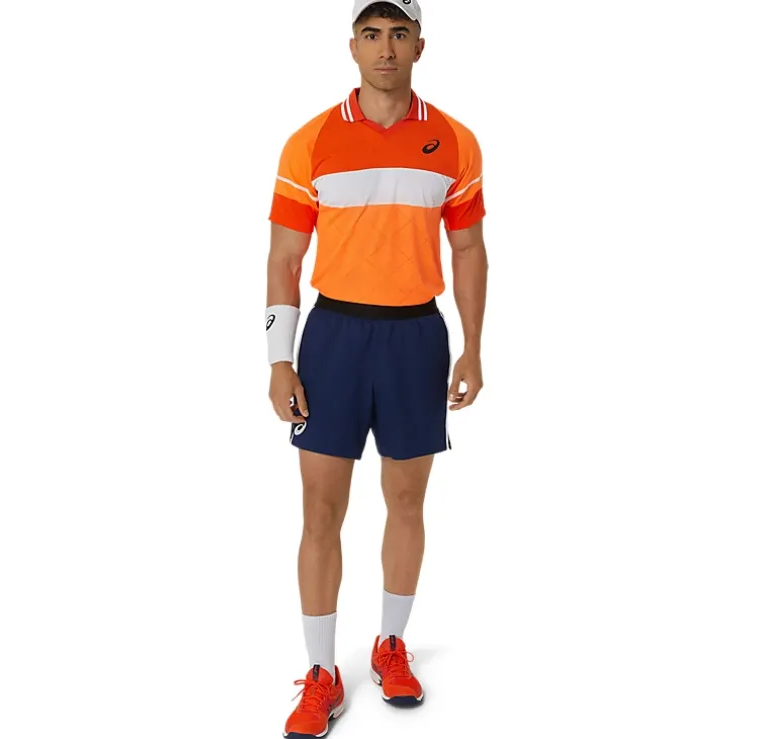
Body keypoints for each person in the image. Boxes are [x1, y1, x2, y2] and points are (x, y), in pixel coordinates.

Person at [264, 1, 488, 735]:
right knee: (320, 509)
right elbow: (285, 257)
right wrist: (279, 360)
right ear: (352, 46)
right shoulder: (311, 141)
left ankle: (391, 644)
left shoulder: (454, 140)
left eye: (398, 33)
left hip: (415, 337)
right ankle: (321, 672)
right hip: (333, 338)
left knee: (408, 501)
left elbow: (468, 249)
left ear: (420, 44)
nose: (385, 47)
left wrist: (472, 345)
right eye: (371, 34)